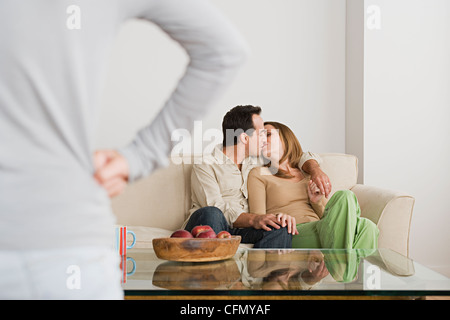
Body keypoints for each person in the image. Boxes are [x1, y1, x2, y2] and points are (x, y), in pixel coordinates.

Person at [0, 0, 250, 299]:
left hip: (55, 241)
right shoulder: (208, 162)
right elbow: (223, 51)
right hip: (58, 244)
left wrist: (140, 155)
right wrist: (140, 155)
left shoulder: (257, 168)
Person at [182, 105, 332, 248]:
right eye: (261, 133)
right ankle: (213, 272)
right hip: (211, 226)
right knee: (212, 213)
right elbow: (216, 206)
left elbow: (296, 156)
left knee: (280, 227)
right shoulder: (205, 165)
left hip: (243, 229)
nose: (264, 139)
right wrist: (255, 218)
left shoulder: (258, 161)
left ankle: (266, 274)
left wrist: (315, 169)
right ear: (245, 138)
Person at [247, 121, 379, 249]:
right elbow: (259, 218)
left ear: (286, 138)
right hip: (292, 232)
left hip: (323, 227)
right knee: (365, 228)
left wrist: (316, 201)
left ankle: (339, 267)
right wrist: (278, 219)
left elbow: (327, 217)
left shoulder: (307, 173)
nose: (262, 139)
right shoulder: (258, 173)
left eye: (268, 134)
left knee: (354, 207)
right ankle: (342, 267)